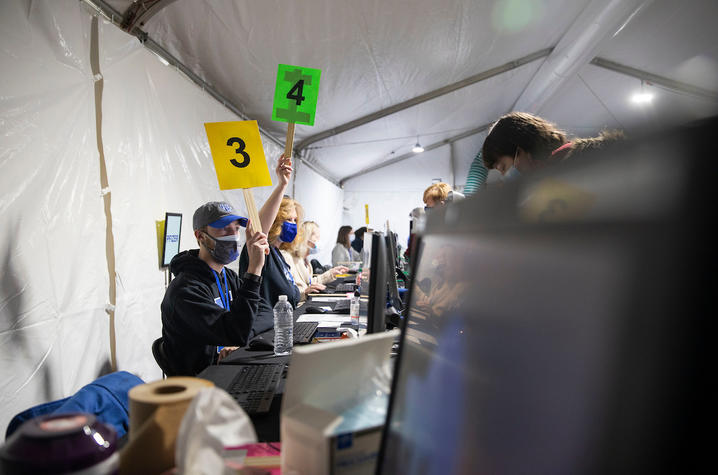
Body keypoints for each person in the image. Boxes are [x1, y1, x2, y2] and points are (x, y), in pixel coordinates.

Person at [160, 201, 270, 376]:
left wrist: (238, 338)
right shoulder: (185, 290)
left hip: (226, 369)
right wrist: (254, 270)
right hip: (199, 385)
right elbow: (238, 331)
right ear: (200, 236)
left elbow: (266, 312)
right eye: (224, 229)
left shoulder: (227, 276)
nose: (233, 236)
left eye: (236, 229)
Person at [481, 111, 623, 176]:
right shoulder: (555, 170)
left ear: (521, 150)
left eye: (504, 167)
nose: (505, 176)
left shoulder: (580, 160)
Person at [239, 196, 303, 309]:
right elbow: (259, 229)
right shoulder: (260, 248)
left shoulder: (278, 253)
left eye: (295, 220)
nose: (293, 224)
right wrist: (282, 185)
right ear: (275, 220)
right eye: (288, 219)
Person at [282, 221, 348, 302]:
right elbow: (286, 291)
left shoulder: (306, 261)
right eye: (316, 237)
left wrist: (331, 273)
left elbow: (309, 283)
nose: (318, 240)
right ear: (306, 238)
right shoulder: (288, 258)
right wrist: (304, 293)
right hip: (296, 305)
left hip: (304, 301)